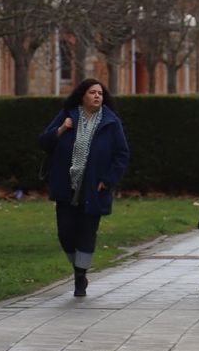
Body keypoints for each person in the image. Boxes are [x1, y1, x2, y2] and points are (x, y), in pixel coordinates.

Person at [38, 78, 130, 298]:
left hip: (94, 189)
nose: (97, 96)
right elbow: (43, 142)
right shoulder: (68, 116)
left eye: (100, 93)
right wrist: (61, 129)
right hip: (66, 186)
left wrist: (107, 180)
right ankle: (76, 267)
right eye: (92, 92)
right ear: (82, 96)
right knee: (66, 235)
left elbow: (122, 154)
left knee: (87, 235)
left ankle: (80, 277)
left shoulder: (110, 121)